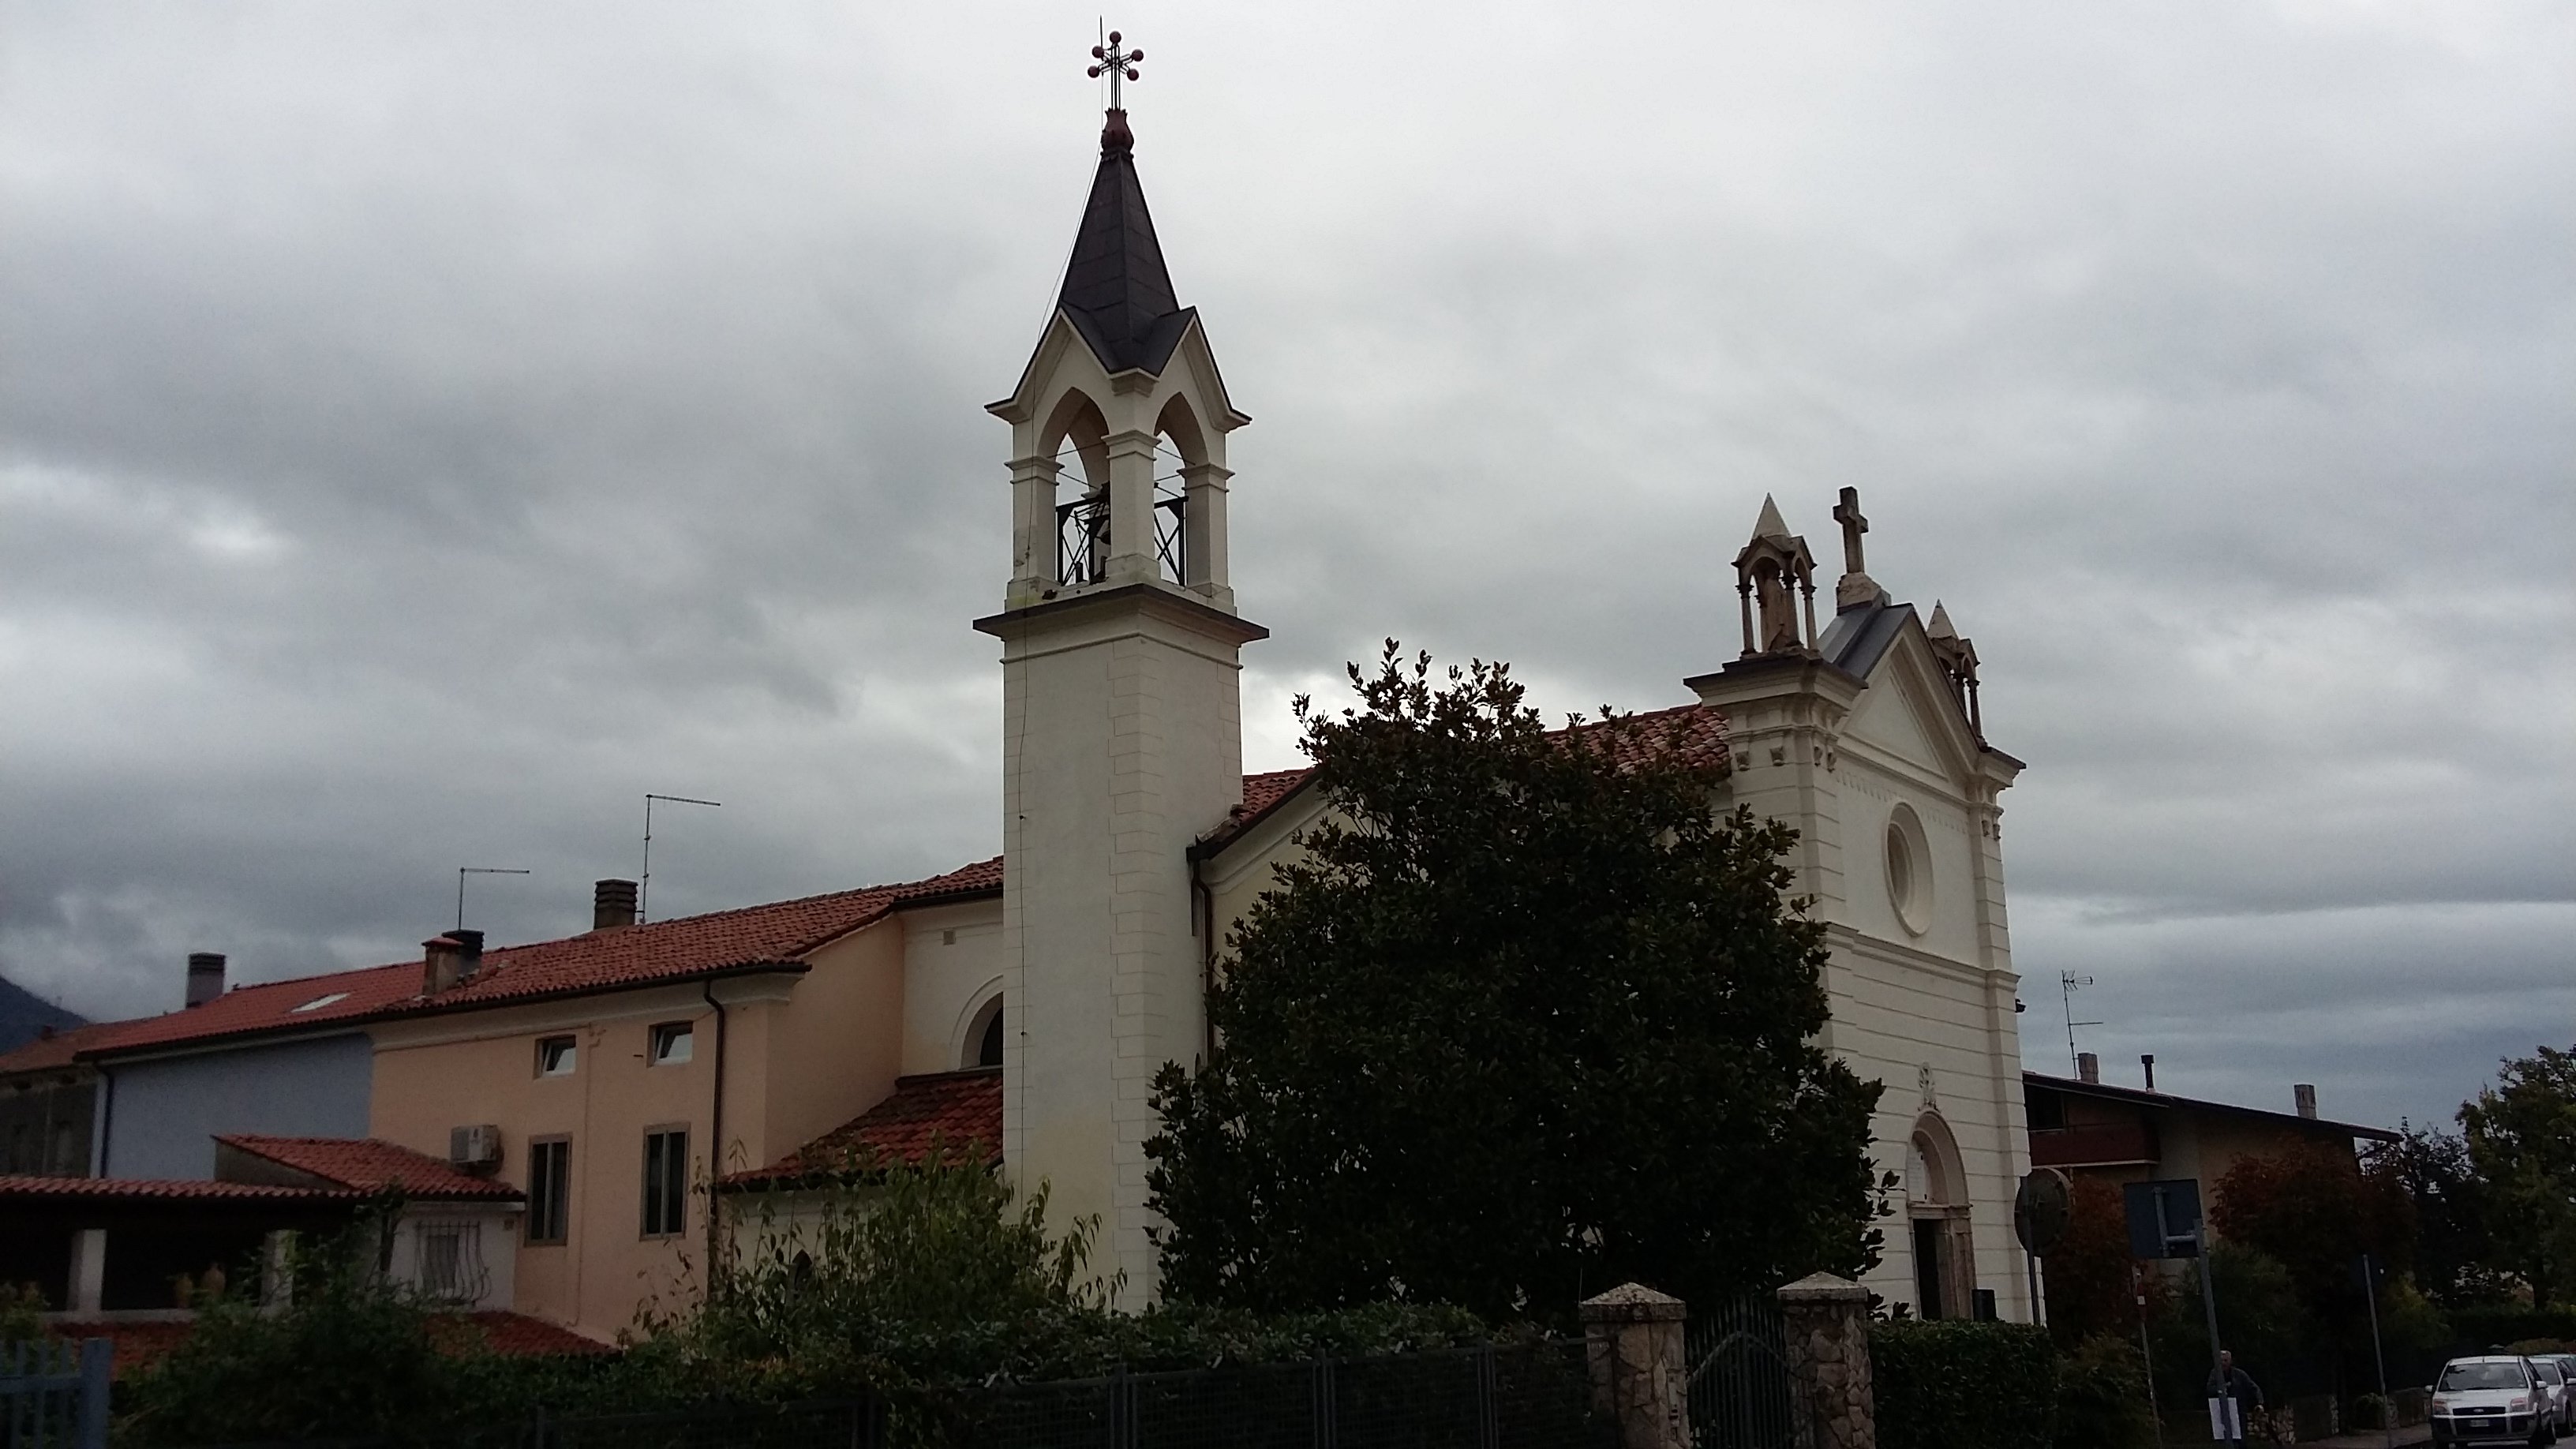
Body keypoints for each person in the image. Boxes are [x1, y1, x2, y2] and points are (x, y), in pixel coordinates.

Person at [2207, 1350, 2266, 1446]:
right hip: (2221, 1412)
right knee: (2222, 1440)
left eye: (2226, 1360)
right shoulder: (2215, 1374)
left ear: (2230, 1361)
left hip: (2239, 1412)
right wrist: (2221, 1389)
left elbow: (2254, 1388)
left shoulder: (2239, 1374)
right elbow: (2209, 1389)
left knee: (2241, 1440)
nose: (2223, 1363)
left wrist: (2260, 1402)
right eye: (2221, 1361)